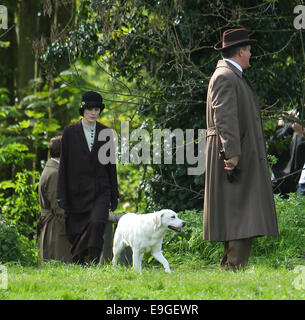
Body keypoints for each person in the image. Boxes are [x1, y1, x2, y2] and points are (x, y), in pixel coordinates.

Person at [204, 28, 279, 270]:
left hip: (236, 154)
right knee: (239, 214)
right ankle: (233, 269)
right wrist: (233, 154)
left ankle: (230, 268)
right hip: (231, 158)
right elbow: (224, 118)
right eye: (248, 51)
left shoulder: (232, 75)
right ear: (239, 52)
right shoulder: (225, 77)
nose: (251, 55)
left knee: (239, 214)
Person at [57, 91, 119, 264]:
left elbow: (111, 166)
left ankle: (92, 262)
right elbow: (64, 166)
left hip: (101, 190)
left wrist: (114, 194)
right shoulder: (69, 132)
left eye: (97, 109)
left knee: (97, 222)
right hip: (76, 191)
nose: (93, 112)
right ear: (83, 109)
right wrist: (61, 193)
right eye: (90, 108)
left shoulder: (106, 133)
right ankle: (79, 260)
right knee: (76, 230)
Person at [37, 136, 72, 263]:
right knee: (58, 266)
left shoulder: (52, 170)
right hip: (56, 228)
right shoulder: (55, 173)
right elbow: (59, 207)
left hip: (54, 225)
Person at [269, 110, 305, 197]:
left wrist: (303, 132)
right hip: (280, 181)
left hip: (298, 183)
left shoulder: (299, 131)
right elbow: (272, 143)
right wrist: (281, 124)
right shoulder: (290, 128)